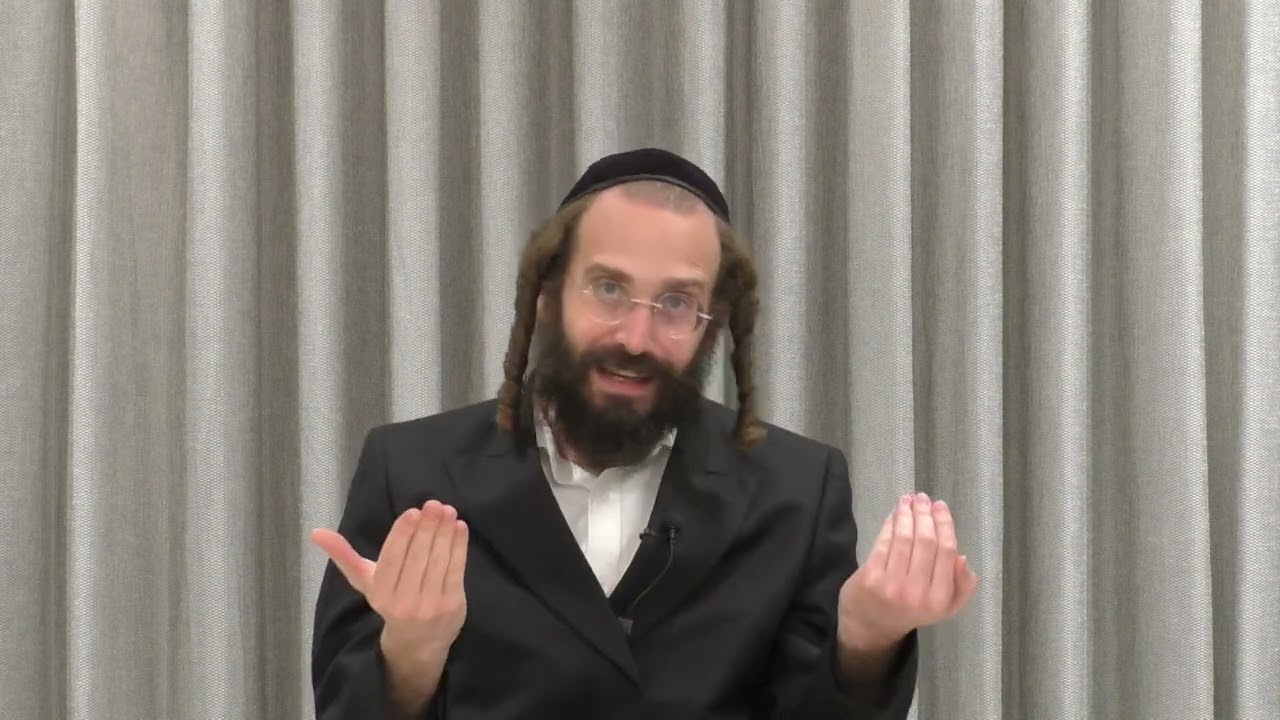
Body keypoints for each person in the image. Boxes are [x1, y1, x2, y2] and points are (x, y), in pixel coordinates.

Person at [309, 148, 978, 719]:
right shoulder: (410, 470)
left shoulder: (798, 491)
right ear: (549, 293)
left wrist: (865, 639)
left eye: (676, 303)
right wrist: (412, 652)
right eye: (608, 289)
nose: (636, 337)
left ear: (712, 323)